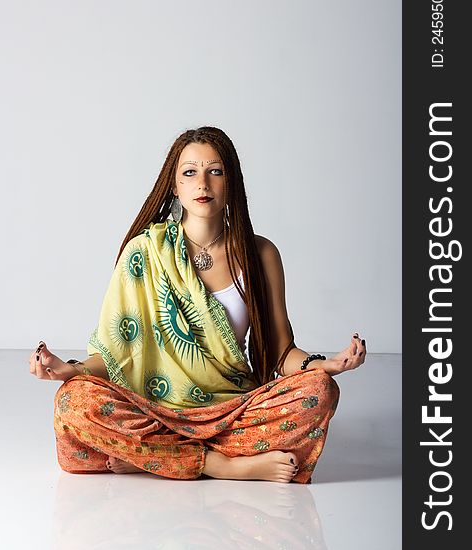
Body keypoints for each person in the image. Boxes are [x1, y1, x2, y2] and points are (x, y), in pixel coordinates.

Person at [29, 126, 366, 484]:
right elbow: (117, 356)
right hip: (153, 408)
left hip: (231, 408)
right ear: (174, 186)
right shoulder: (146, 253)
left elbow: (281, 352)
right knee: (74, 401)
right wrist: (69, 370)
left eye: (215, 171)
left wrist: (323, 365)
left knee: (320, 391)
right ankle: (218, 464)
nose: (202, 183)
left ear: (231, 181)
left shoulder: (260, 254)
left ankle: (151, 455)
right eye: (189, 172)